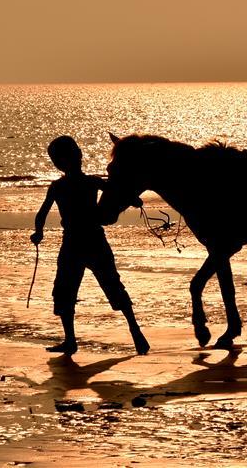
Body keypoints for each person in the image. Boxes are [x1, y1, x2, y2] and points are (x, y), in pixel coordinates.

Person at [31, 135, 149, 356]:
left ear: (58, 163)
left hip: (77, 243)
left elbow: (42, 214)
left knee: (72, 290)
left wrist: (39, 232)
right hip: (90, 241)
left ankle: (74, 340)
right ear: (78, 157)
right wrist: (134, 200)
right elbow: (118, 193)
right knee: (106, 286)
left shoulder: (61, 186)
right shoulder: (89, 182)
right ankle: (134, 333)